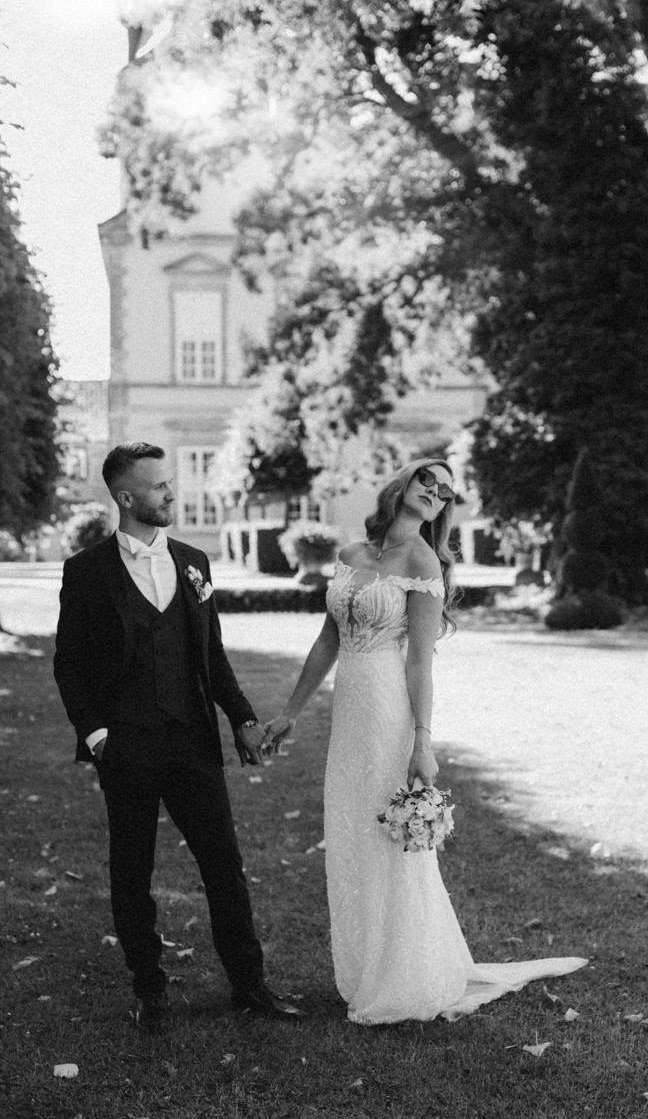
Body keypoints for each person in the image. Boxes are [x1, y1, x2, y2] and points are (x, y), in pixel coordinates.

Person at [265, 458, 586, 1024]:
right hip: (349, 715)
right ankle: (365, 967)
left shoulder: (423, 563)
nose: (435, 493)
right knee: (352, 833)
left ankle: (404, 975)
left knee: (389, 840)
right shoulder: (352, 554)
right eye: (427, 481)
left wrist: (422, 741)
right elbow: (327, 641)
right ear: (405, 483)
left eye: (445, 492)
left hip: (388, 710)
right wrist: (292, 711)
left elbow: (419, 662)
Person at [53, 442, 304, 1031]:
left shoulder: (194, 562)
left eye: (171, 482)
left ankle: (249, 985)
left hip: (192, 741)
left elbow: (211, 653)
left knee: (224, 866)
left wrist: (242, 718)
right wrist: (98, 737)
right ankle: (149, 989)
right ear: (126, 497)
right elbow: (70, 665)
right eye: (160, 485)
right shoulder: (85, 572)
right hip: (126, 746)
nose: (172, 492)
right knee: (131, 872)